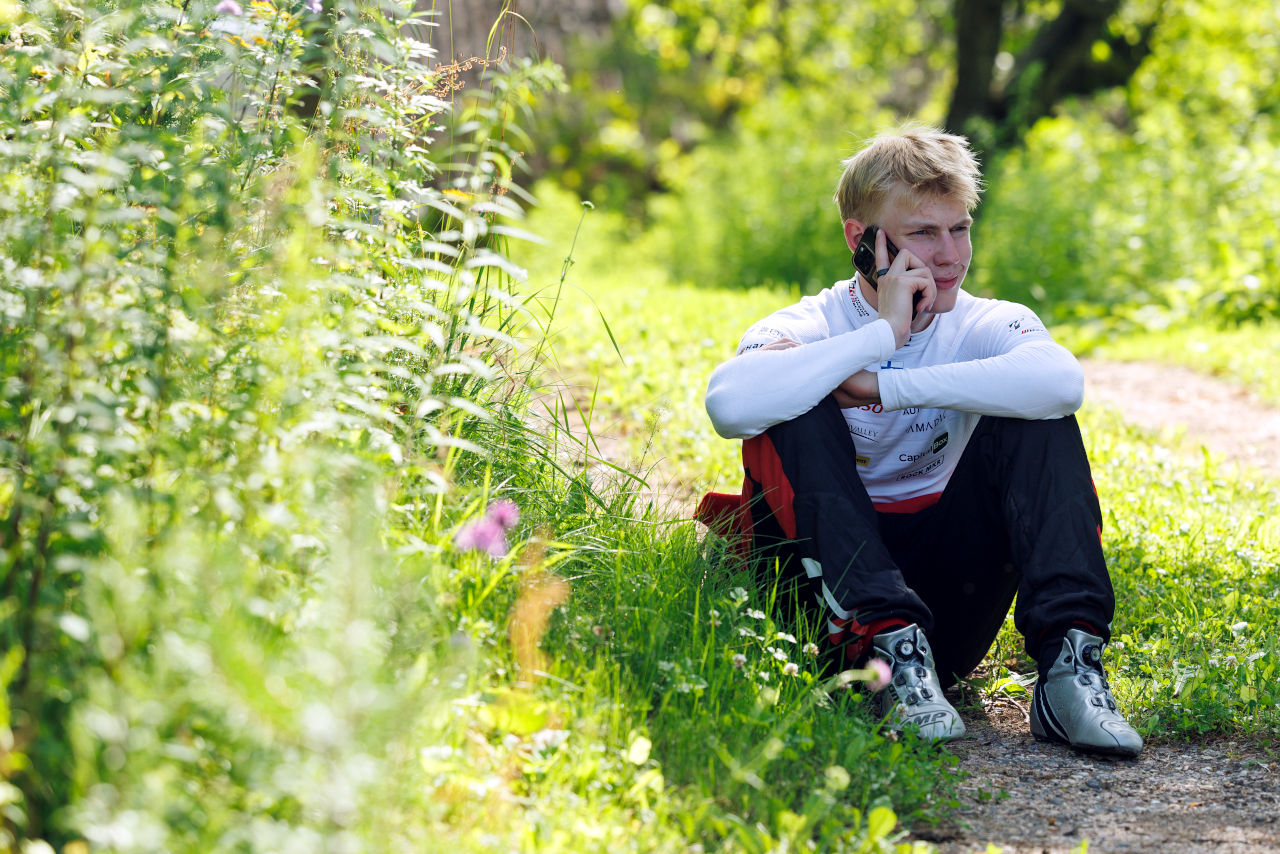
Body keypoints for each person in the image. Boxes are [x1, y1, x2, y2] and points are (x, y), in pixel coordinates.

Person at [701, 125, 1142, 756]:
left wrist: (885, 386)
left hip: (947, 604)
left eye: (959, 228)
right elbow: (730, 403)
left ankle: (1070, 668)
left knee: (1037, 409)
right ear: (863, 241)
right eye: (923, 234)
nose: (950, 255)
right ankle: (887, 649)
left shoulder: (987, 320)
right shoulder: (809, 324)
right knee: (792, 401)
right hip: (821, 608)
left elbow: (1062, 383)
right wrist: (880, 337)